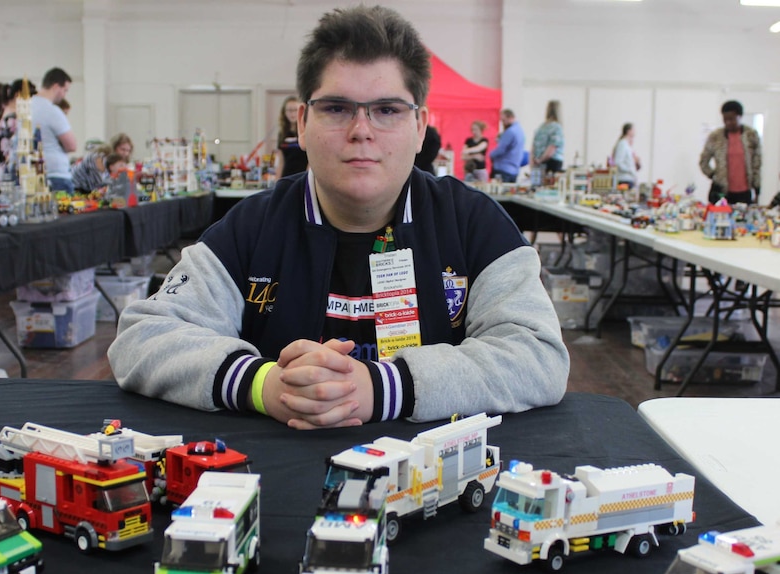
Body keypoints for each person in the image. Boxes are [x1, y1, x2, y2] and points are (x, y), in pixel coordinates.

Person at [108, 5, 569, 430]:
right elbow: (141, 337)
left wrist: (381, 389)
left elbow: (538, 355)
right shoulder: (251, 228)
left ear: (420, 127)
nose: (361, 131)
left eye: (387, 110)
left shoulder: (474, 225)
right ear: (302, 125)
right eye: (336, 108)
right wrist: (263, 384)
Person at [699, 100, 761, 205]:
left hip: (744, 191)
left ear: (740, 116)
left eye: (731, 119)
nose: (728, 122)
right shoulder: (716, 137)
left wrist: (757, 188)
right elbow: (703, 161)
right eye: (725, 119)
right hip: (722, 190)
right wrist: (713, 175)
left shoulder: (751, 135)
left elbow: (757, 163)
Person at [31, 67, 76, 194]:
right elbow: (72, 145)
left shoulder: (26, 106)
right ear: (56, 87)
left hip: (32, 174)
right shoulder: (52, 111)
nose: (64, 95)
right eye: (65, 90)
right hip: (55, 175)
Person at [0, 78, 37, 187]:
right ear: (17, 95)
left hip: (7, 167)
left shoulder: (6, 114)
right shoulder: (14, 118)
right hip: (15, 169)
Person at [488, 109, 525, 183]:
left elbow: (501, 150)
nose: (503, 123)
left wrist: (490, 154)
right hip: (514, 170)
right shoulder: (520, 130)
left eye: (504, 120)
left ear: (510, 117)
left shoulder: (510, 132)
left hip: (503, 169)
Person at [275, 96, 308, 178]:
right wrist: (277, 183)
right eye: (289, 110)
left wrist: (306, 179)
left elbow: (311, 160)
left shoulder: (306, 132)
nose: (292, 114)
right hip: (286, 176)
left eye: (295, 110)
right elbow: (281, 162)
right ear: (284, 112)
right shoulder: (282, 134)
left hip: (302, 176)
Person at [531, 100, 565, 174]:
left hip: (538, 162)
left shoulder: (541, 128)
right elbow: (552, 148)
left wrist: (535, 161)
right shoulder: (557, 128)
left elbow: (533, 147)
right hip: (552, 162)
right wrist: (542, 159)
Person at [612, 123, 641, 190]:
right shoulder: (622, 144)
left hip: (630, 178)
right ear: (629, 131)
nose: (635, 132)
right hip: (624, 179)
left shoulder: (627, 145)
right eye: (633, 130)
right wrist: (629, 169)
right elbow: (618, 162)